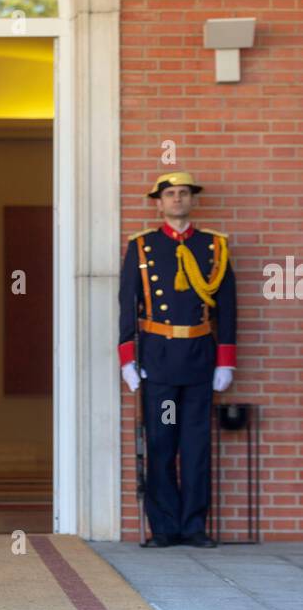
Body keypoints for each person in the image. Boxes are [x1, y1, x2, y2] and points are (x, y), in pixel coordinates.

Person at [118, 170, 237, 548]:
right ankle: (165, 527)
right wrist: (127, 359)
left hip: (200, 361)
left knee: (197, 445)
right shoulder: (142, 247)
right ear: (159, 201)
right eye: (170, 194)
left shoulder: (214, 247)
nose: (178, 199)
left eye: (184, 193)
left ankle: (193, 526)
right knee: (163, 442)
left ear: (192, 200)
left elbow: (229, 308)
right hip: (161, 361)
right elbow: (127, 306)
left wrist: (226, 360)